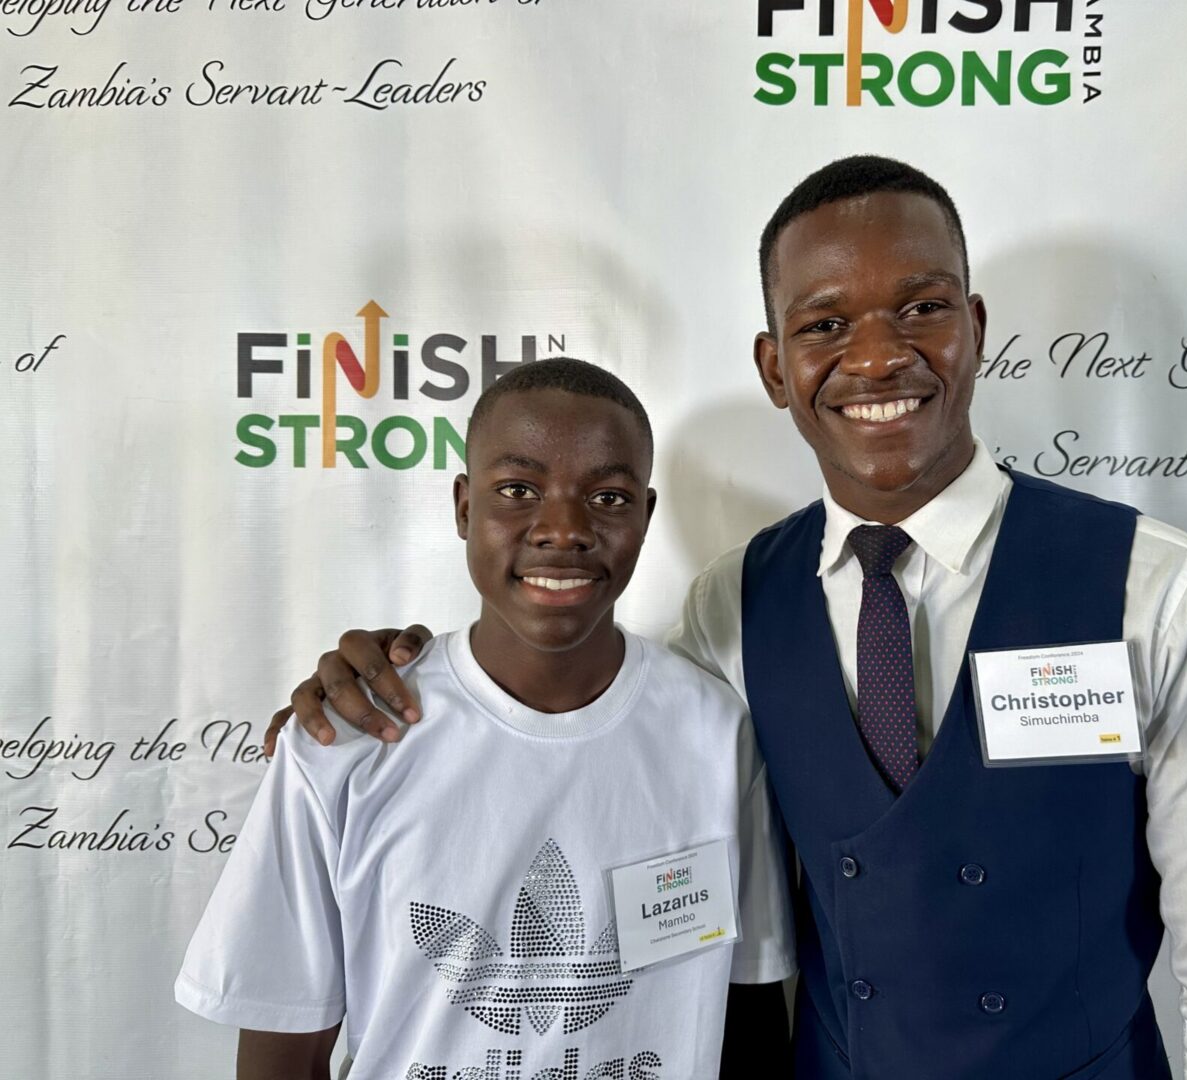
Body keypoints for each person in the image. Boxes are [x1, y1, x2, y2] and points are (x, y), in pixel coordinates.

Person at [270, 157, 1187, 1079]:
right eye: (824, 326)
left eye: (922, 308)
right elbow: (580, 740)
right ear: (776, 368)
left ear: (976, 329)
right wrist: (392, 683)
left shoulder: (1156, 589)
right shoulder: (733, 604)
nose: (878, 357)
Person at [177, 359, 796, 1079]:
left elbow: (748, 1013)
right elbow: (283, 1050)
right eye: (518, 490)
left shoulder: (715, 733)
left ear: (645, 516)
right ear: (464, 507)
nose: (563, 529)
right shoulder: (346, 738)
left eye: (607, 497)